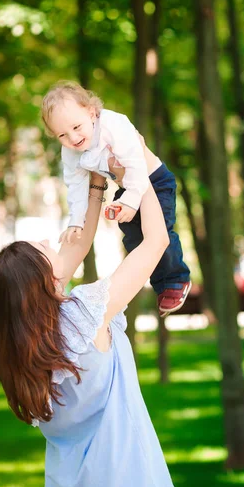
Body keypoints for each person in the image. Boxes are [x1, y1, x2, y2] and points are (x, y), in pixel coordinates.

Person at [0, 170, 190, 487]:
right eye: (43, 246)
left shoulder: (22, 350)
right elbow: (155, 242)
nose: (52, 241)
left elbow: (76, 247)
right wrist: (140, 177)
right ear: (47, 277)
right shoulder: (83, 315)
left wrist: (96, 183)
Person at [41, 81, 191, 317]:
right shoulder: (70, 151)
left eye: (76, 127)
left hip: (153, 180)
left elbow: (135, 163)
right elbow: (76, 186)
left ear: (91, 112)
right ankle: (156, 282)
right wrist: (76, 221)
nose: (72, 137)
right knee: (132, 235)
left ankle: (176, 279)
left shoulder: (113, 125)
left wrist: (131, 200)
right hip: (126, 185)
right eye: (62, 134)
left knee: (160, 230)